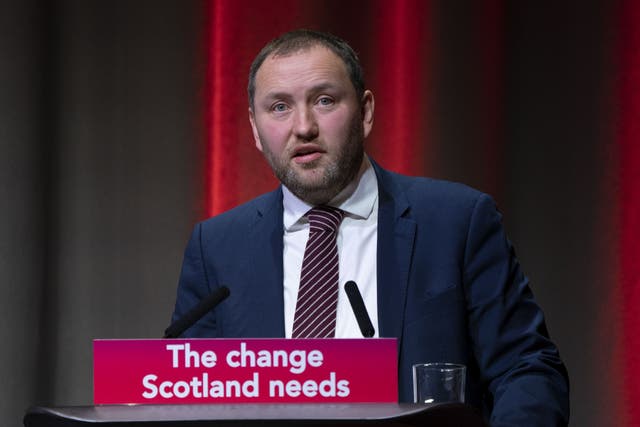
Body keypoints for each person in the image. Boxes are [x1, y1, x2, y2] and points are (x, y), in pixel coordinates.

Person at [171, 29, 569, 425]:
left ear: (365, 112)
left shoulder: (456, 222)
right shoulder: (217, 247)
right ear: (256, 130)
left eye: (324, 100)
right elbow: (188, 398)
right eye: (279, 107)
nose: (303, 126)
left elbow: (526, 369)